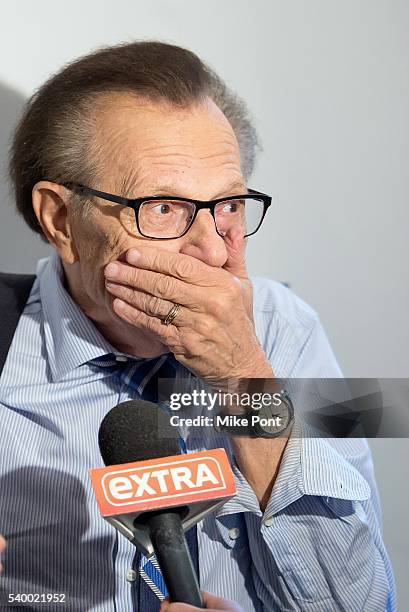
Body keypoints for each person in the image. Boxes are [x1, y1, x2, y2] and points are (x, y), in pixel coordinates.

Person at [0, 41, 395, 611]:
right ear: (61, 219)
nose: (212, 251)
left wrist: (243, 378)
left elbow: (358, 604)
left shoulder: (285, 333)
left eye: (229, 205)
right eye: (162, 207)